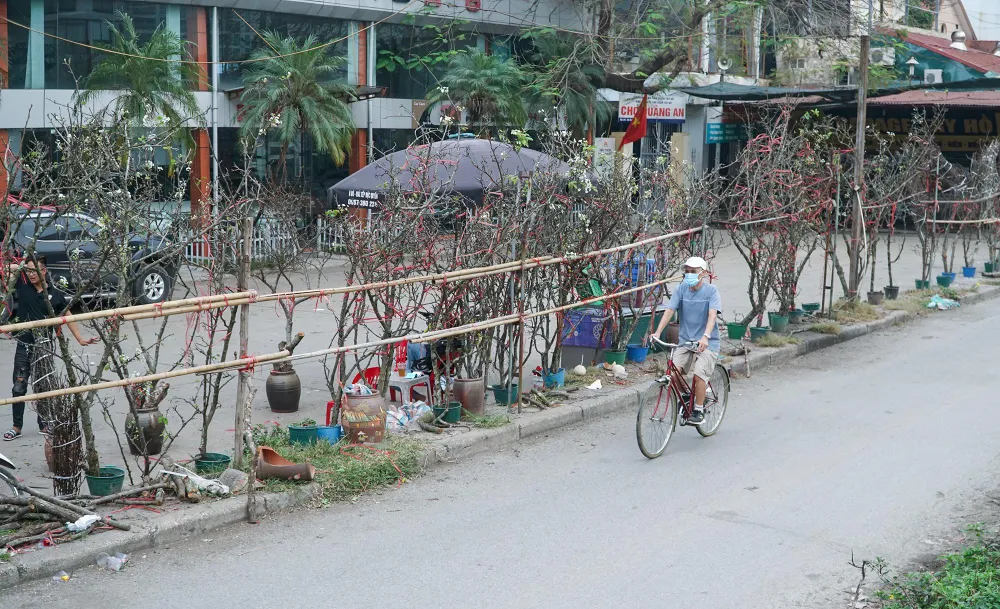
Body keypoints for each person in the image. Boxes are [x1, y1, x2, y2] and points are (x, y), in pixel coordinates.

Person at [3, 256, 96, 441]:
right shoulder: (22, 288)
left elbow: (67, 315)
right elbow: (5, 270)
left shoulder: (55, 294)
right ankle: (16, 426)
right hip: (24, 345)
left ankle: (44, 423)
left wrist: (80, 339)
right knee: (19, 386)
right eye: (27, 271)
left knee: (43, 386)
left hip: (45, 348)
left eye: (34, 270)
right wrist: (22, 265)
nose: (30, 274)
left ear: (44, 271)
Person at [648, 256, 721, 425]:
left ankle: (699, 409)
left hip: (707, 342)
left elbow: (712, 316)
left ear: (702, 273)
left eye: (693, 272)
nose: (689, 275)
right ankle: (688, 396)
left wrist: (706, 336)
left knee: (698, 375)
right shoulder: (681, 289)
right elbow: (669, 310)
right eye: (687, 272)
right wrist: (657, 332)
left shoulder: (711, 291)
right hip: (685, 341)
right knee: (672, 375)